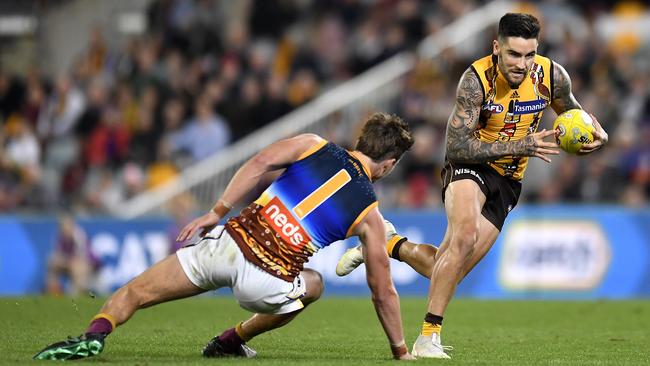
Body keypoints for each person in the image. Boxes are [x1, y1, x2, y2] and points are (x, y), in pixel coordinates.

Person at [34, 112, 416, 361]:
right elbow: (382, 290)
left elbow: (258, 163)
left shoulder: (312, 145)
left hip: (227, 245)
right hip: (266, 283)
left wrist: (215, 212)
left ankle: (94, 334)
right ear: (390, 163)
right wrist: (400, 351)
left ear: (361, 138)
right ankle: (231, 340)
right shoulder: (370, 213)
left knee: (137, 290)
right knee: (314, 285)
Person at [336, 13, 609, 359]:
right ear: (497, 48)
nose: (522, 64)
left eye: (529, 55)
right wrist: (520, 145)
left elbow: (576, 118)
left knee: (448, 269)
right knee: (463, 236)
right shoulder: (475, 80)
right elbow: (456, 147)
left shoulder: (553, 76)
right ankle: (428, 336)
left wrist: (597, 137)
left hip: (509, 181)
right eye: (513, 55)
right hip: (470, 166)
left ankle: (389, 244)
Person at [45, 215, 96, 296]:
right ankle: (54, 292)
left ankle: (74, 295)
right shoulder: (60, 235)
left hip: (87, 262)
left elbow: (82, 255)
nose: (65, 228)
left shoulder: (79, 235)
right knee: (52, 262)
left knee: (78, 268)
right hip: (69, 261)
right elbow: (57, 252)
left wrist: (70, 262)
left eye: (67, 225)